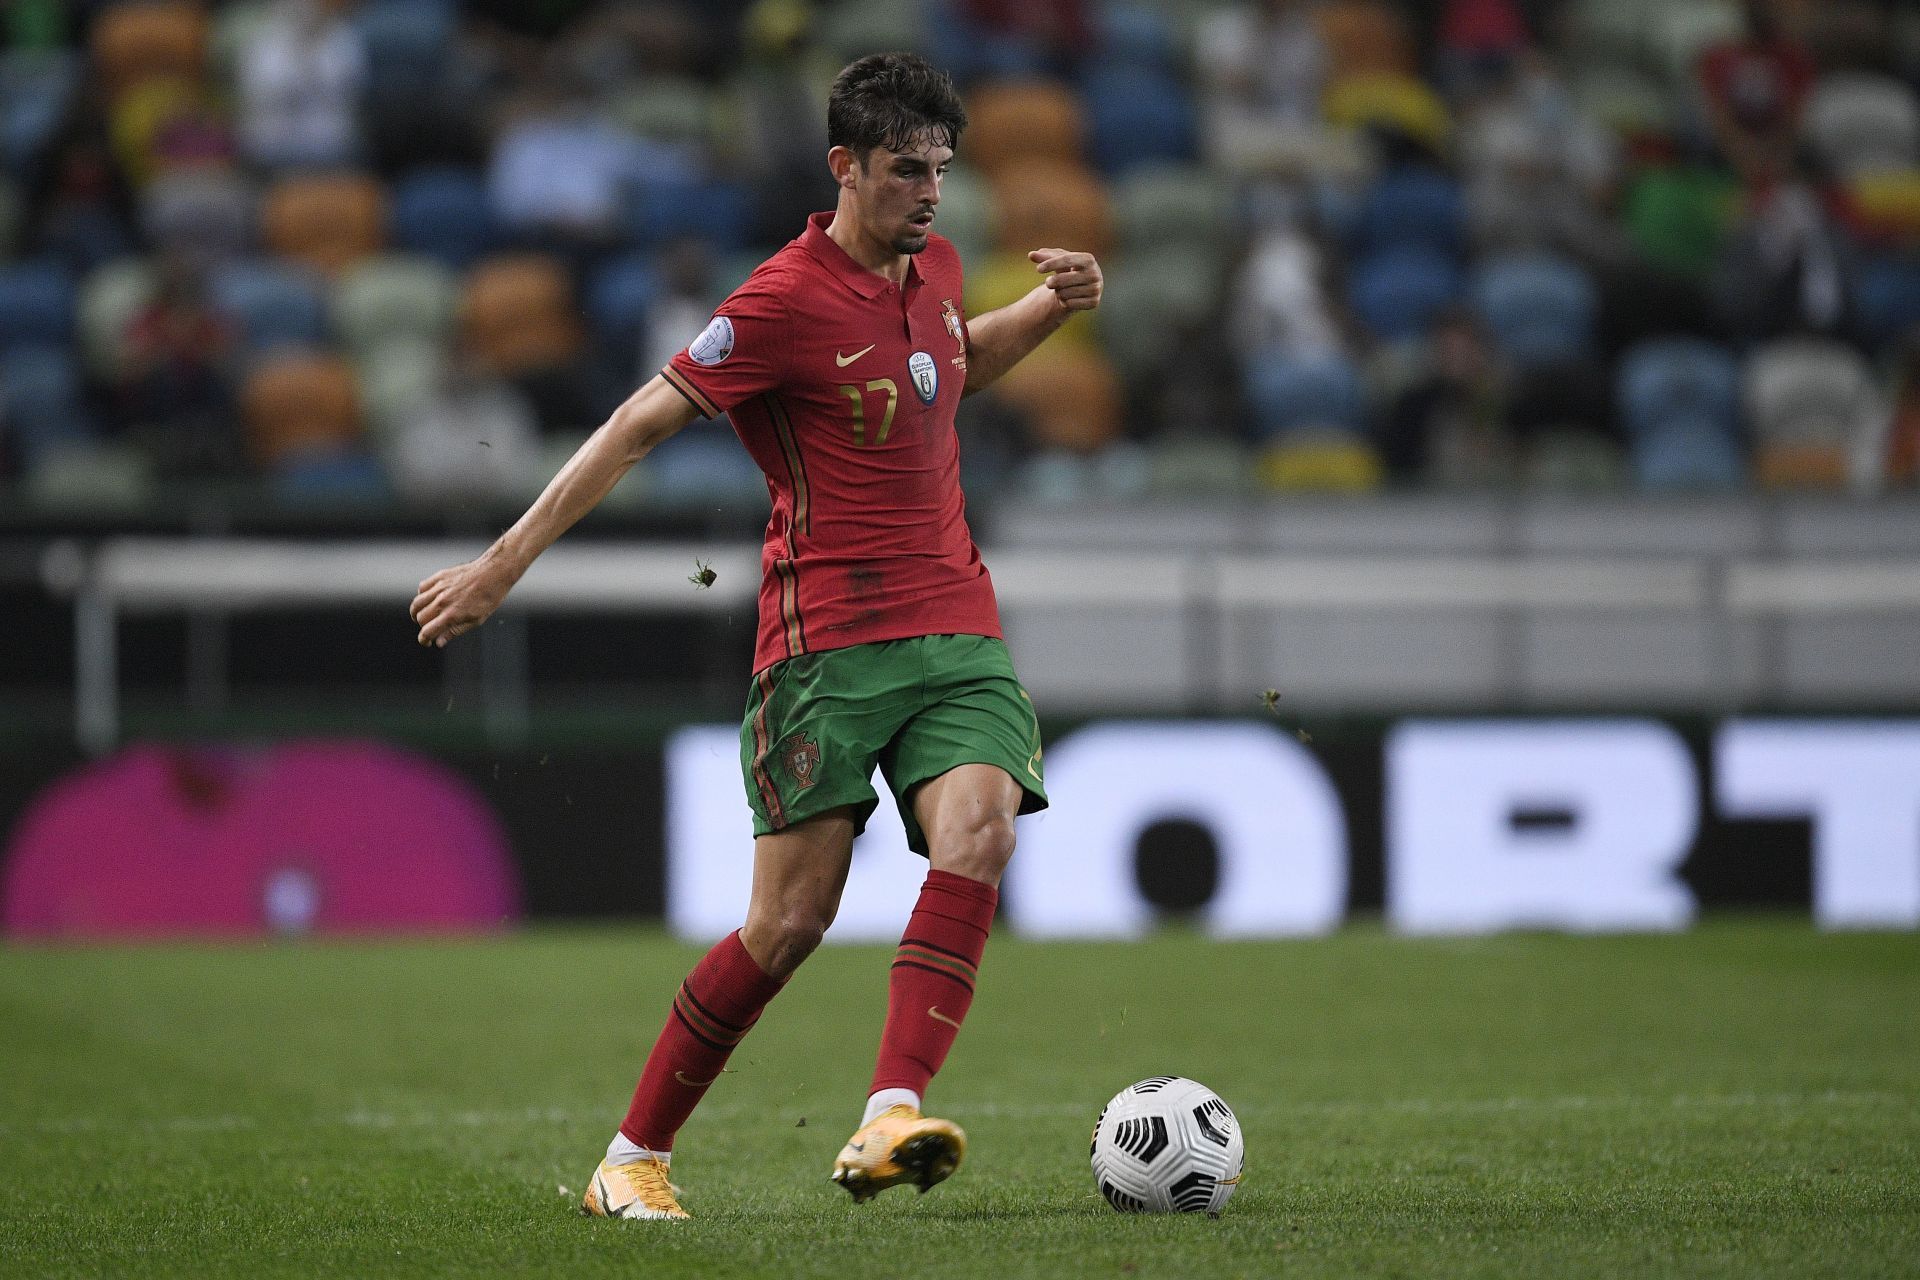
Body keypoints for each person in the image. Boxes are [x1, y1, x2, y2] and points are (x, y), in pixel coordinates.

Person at [408, 52, 1103, 1220]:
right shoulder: (779, 301)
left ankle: (892, 1110)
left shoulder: (930, 264)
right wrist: (500, 565)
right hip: (821, 646)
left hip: (953, 627)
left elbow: (946, 366)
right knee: (788, 923)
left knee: (978, 833)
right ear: (844, 166)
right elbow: (636, 425)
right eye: (903, 170)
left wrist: (1050, 306)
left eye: (941, 168)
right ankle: (630, 1154)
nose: (930, 193)